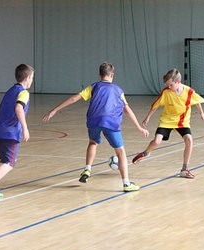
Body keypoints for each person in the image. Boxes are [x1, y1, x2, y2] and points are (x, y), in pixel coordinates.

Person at [41, 62, 149, 192]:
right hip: (110, 122)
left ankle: (87, 169)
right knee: (120, 151)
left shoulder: (94, 87)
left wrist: (54, 110)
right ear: (112, 75)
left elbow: (75, 98)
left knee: (93, 142)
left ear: (99, 75)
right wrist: (139, 127)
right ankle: (126, 183)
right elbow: (127, 110)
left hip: (93, 121)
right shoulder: (118, 90)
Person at [131, 68, 204, 178]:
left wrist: (201, 113)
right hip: (167, 120)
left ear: (178, 82)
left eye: (171, 85)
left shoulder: (189, 91)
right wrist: (147, 117)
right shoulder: (166, 92)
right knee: (157, 141)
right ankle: (145, 153)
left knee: (189, 140)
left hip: (182, 121)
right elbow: (156, 105)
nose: (169, 87)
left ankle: (184, 169)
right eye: (167, 85)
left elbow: (197, 101)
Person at [0, 64, 34, 204]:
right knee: (10, 163)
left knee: (4, 160)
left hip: (1, 131)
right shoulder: (24, 93)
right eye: (32, 77)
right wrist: (25, 128)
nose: (32, 80)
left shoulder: (11, 90)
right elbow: (18, 108)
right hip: (11, 133)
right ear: (27, 78)